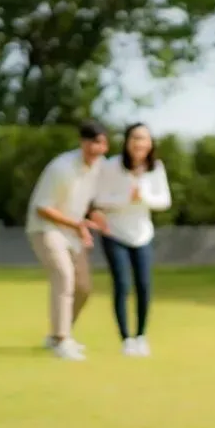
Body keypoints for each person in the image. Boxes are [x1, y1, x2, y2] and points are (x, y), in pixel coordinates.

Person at [25, 120, 110, 361]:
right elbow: (43, 208)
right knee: (64, 276)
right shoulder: (61, 167)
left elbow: (92, 201)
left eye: (101, 144)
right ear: (82, 143)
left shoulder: (100, 166)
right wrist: (77, 225)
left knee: (83, 288)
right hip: (45, 228)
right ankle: (62, 341)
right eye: (92, 143)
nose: (97, 149)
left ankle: (58, 335)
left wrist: (93, 218)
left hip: (73, 230)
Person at [92, 123, 172, 357]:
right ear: (127, 142)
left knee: (144, 285)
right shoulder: (111, 166)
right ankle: (126, 339)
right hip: (114, 232)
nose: (140, 143)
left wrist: (143, 196)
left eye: (144, 138)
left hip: (142, 234)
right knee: (122, 285)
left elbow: (164, 200)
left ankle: (141, 336)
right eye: (135, 138)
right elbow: (99, 199)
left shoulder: (156, 168)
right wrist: (125, 198)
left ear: (150, 143)